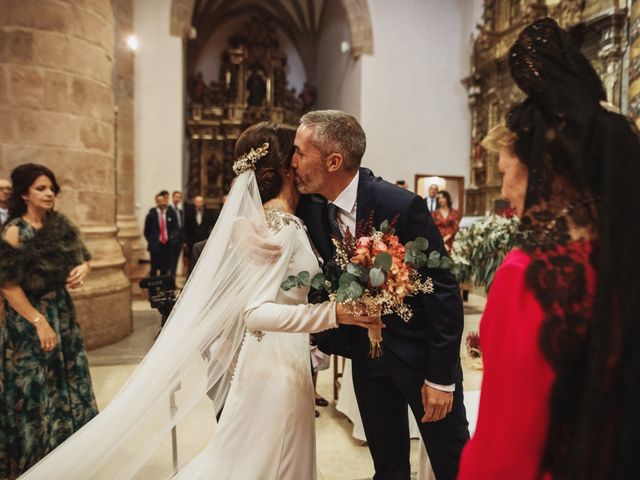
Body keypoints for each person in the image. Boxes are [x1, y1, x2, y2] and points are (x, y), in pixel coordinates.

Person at [18, 123, 378, 479]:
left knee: (264, 459)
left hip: (281, 357)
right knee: (262, 462)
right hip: (274, 363)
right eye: (297, 153)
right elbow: (254, 313)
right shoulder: (280, 225)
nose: (302, 160)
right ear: (286, 166)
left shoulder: (288, 217)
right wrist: (334, 312)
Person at [458, 18, 640, 479]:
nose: (502, 188)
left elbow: (507, 443)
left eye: (504, 170)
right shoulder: (620, 257)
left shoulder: (529, 275)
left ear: (542, 169)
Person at [295, 110, 469, 480]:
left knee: (453, 464)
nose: (292, 162)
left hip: (421, 359)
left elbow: (443, 289)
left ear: (333, 161)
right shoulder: (314, 210)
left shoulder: (401, 206)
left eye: (299, 153)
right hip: (368, 361)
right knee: (388, 469)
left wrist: (441, 378)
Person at [0, 163, 97, 478]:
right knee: (37, 388)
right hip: (29, 320)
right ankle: (38, 462)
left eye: (51, 187)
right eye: (41, 188)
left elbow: (84, 257)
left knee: (68, 382)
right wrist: (39, 321)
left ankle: (71, 457)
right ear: (25, 194)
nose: (49, 193)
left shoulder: (60, 224)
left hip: (63, 315)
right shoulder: (15, 230)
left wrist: (83, 269)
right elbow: (7, 285)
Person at [143, 192, 177, 276]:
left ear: (165, 201)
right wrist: (152, 240)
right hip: (155, 246)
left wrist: (171, 237)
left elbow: (175, 228)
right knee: (154, 269)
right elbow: (146, 231)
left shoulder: (170, 214)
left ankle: (164, 288)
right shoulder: (151, 214)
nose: (161, 203)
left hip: (167, 245)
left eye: (163, 201)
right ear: (156, 202)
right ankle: (153, 288)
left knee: (165, 269)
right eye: (159, 201)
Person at [167, 190, 186, 276]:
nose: (177, 199)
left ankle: (172, 282)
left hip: (179, 241)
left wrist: (183, 240)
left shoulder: (180, 211)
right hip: (171, 241)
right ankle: (168, 283)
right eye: (176, 197)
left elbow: (181, 227)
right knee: (169, 263)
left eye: (179, 197)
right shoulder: (168, 210)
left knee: (175, 263)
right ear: (172, 197)